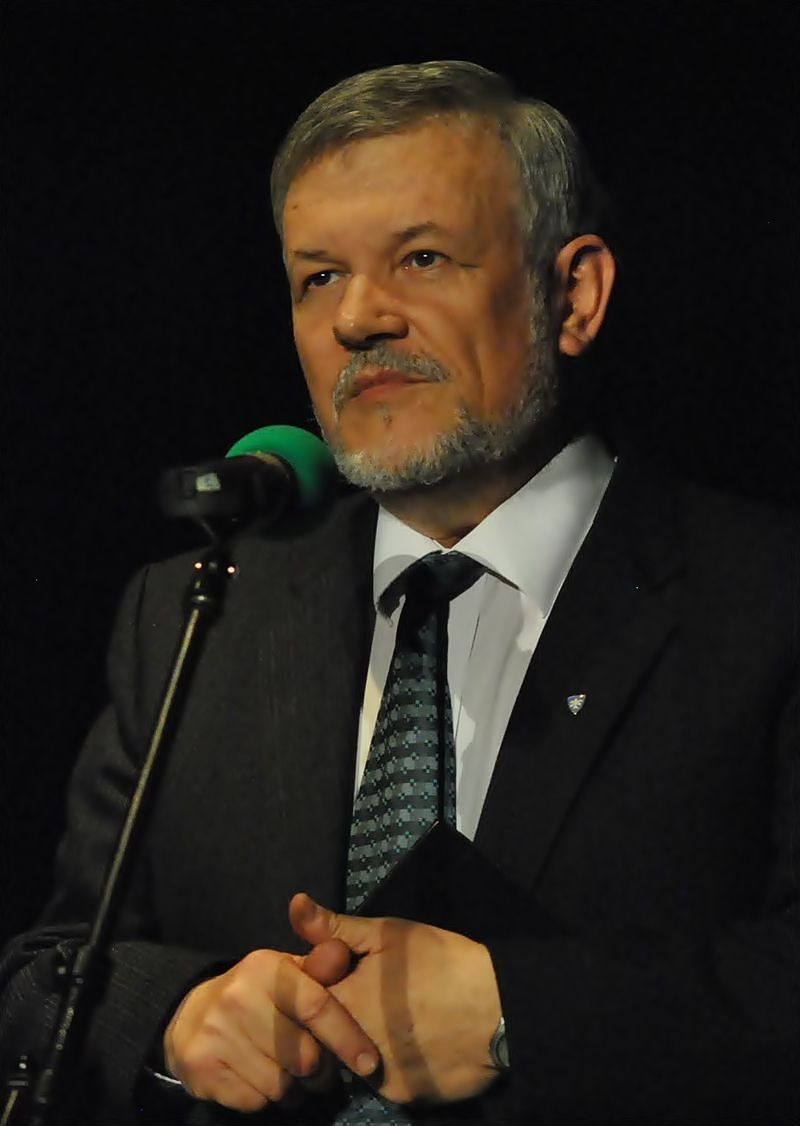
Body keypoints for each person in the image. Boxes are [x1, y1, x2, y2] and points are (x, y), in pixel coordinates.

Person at [1, 60, 797, 1126]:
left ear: (573, 294)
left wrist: (524, 1014)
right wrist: (177, 1019)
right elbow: (47, 972)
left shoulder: (764, 598)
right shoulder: (196, 611)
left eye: (420, 258)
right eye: (318, 277)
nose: (358, 318)